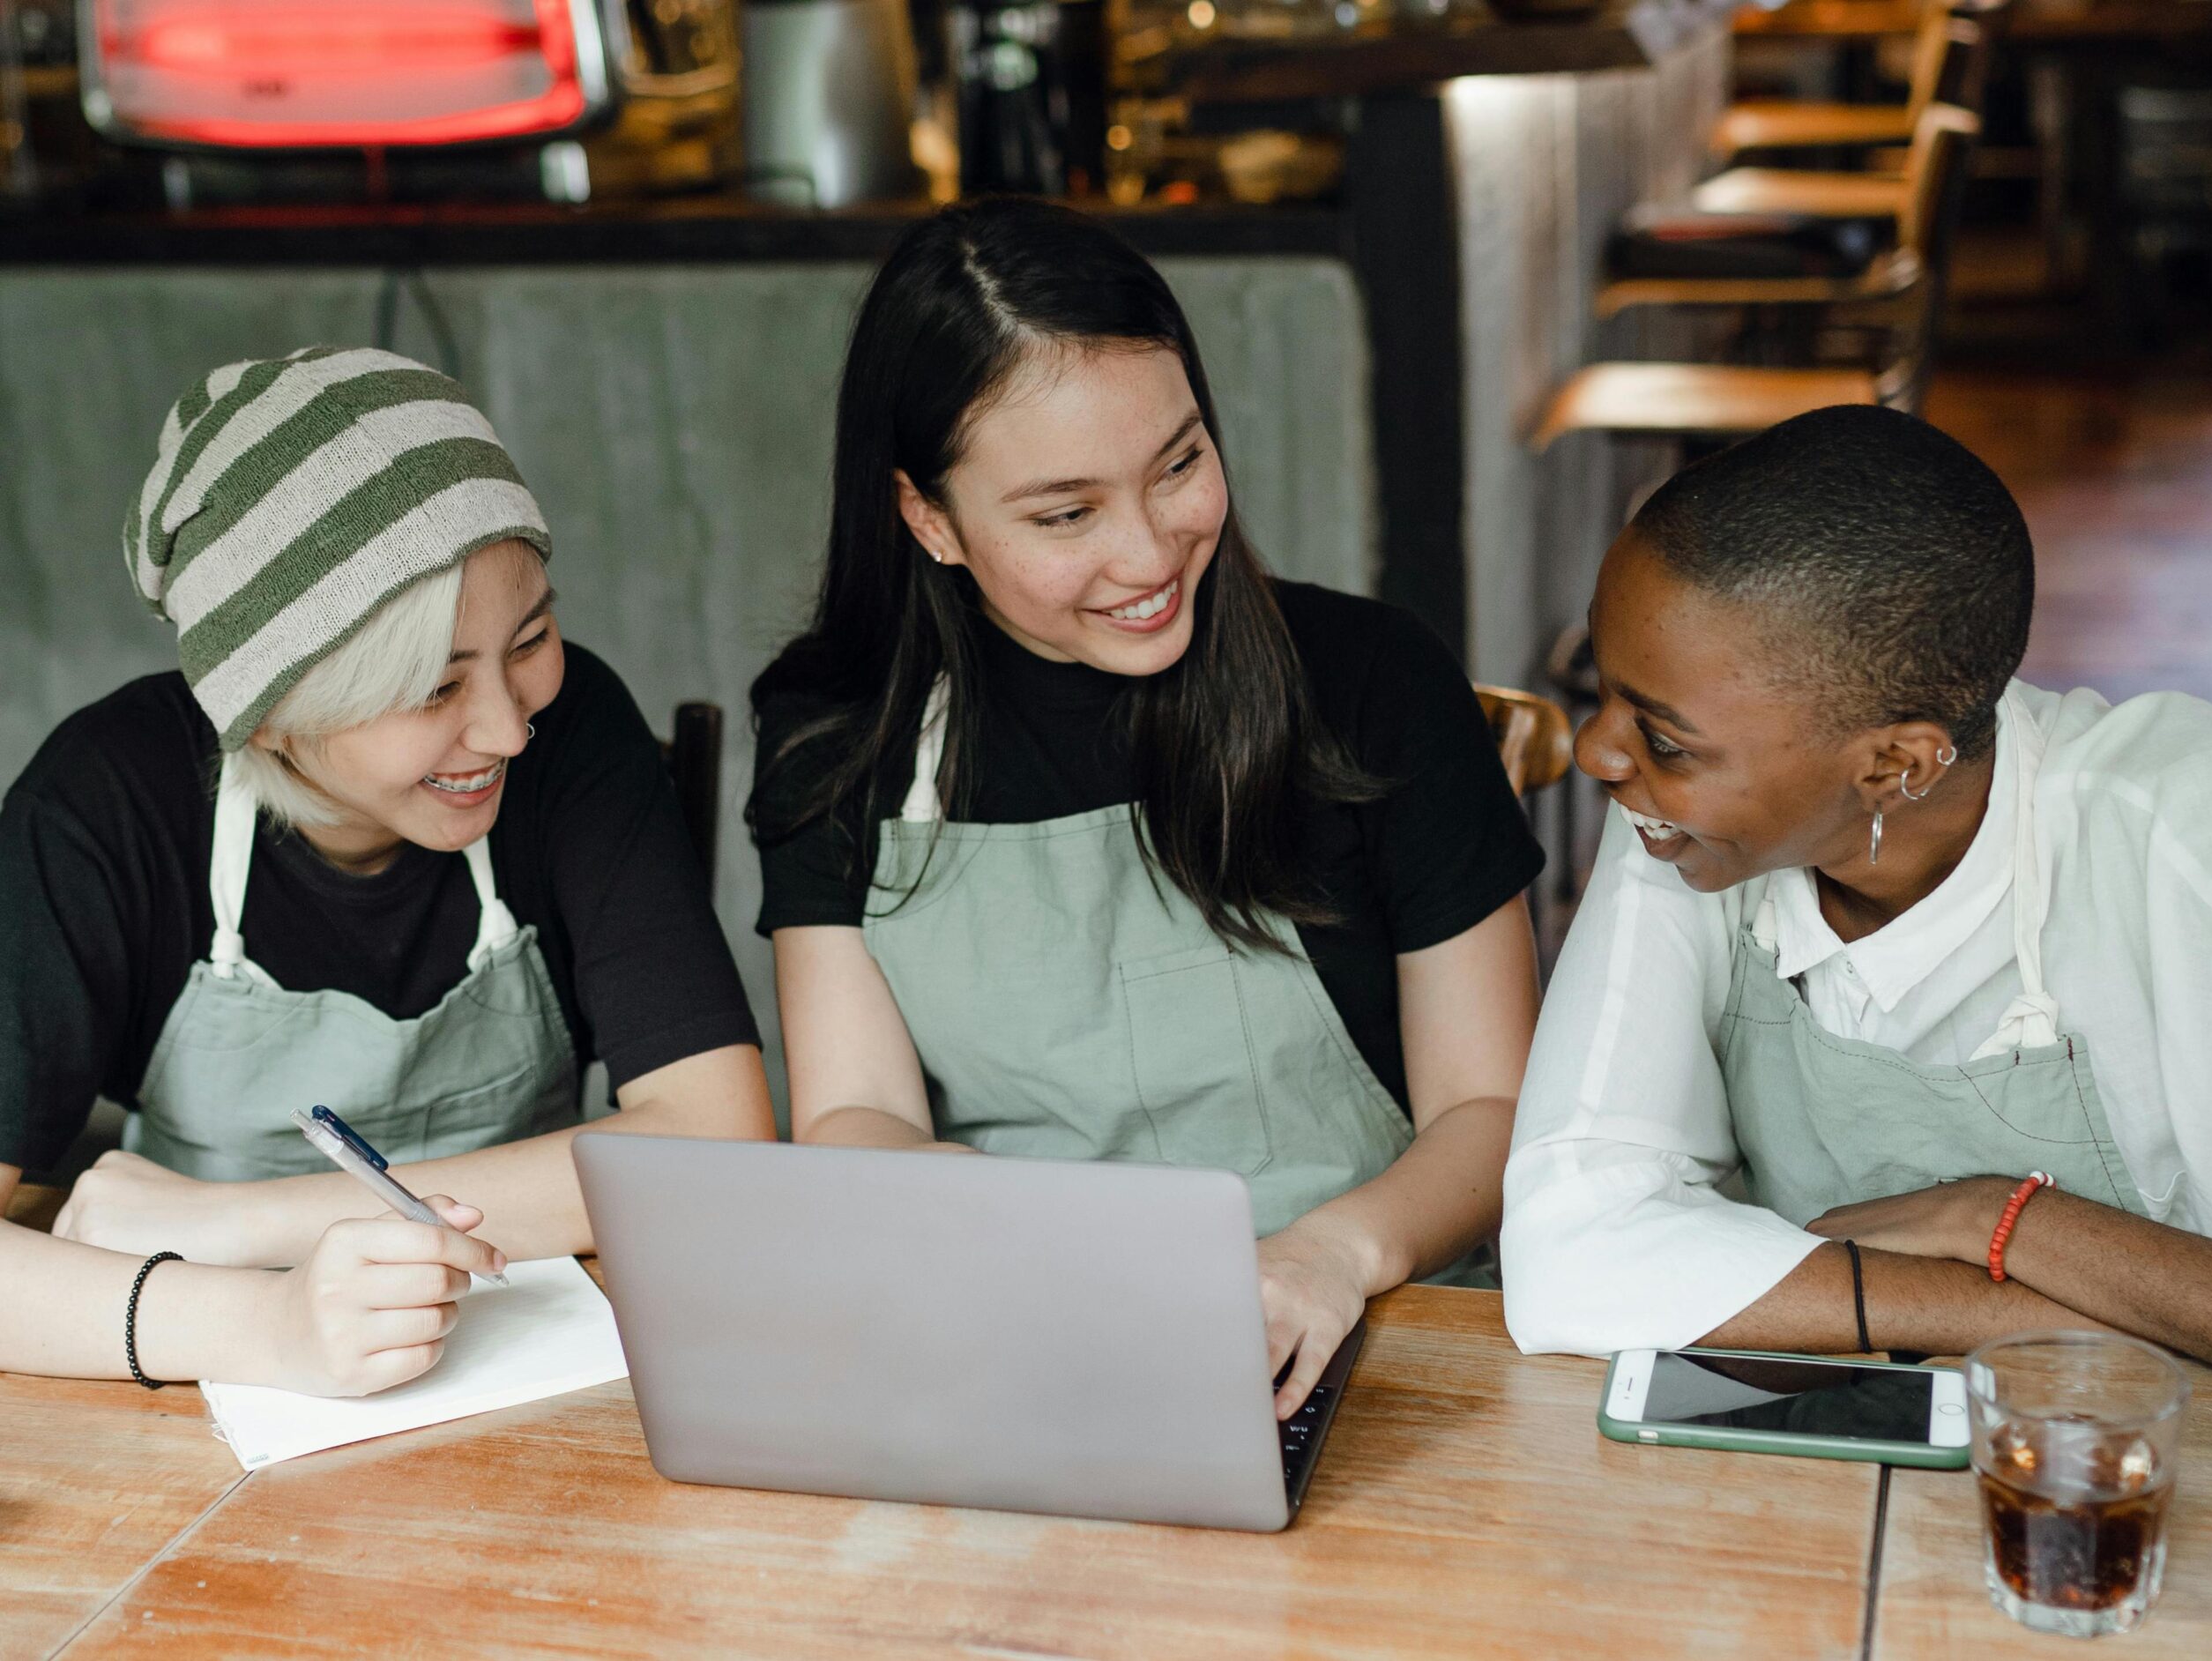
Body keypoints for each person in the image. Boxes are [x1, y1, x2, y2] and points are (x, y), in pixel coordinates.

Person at [751, 199, 1544, 1417]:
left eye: (1178, 463)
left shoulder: (1372, 684)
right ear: (928, 519)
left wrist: (1330, 1257)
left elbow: (1492, 1113)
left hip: (1384, 1332)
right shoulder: (837, 732)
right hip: (1009, 1334)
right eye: (1066, 514)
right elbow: (856, 1113)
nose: (1149, 554)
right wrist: (1029, 1248)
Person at [0, 346, 772, 1395]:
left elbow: (716, 1146)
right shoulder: (105, 802)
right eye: (431, 688)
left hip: (534, 1366)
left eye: (531, 637)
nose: (506, 727)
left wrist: (230, 1222)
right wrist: (265, 1325)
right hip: (203, 1395)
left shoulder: (574, 731)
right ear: (267, 715)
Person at [1501, 405, 2212, 1380]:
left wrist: (2000, 1219)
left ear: (1897, 765)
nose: (1596, 753)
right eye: (1603, 694)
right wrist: (2049, 1314)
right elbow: (1570, 1252)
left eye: (1662, 736)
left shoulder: (2189, 832)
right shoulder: (1681, 820)